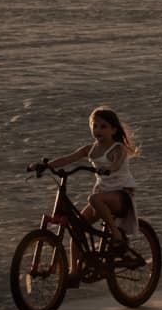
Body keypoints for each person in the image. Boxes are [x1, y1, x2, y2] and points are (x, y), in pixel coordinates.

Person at [29, 108, 145, 268]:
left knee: (93, 198)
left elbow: (116, 163)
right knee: (77, 231)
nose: (98, 130)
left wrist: (109, 169)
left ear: (114, 130)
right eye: (95, 126)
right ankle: (73, 273)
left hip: (121, 195)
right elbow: (67, 158)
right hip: (103, 195)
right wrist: (45, 166)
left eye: (103, 126)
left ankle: (117, 236)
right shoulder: (89, 149)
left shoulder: (118, 148)